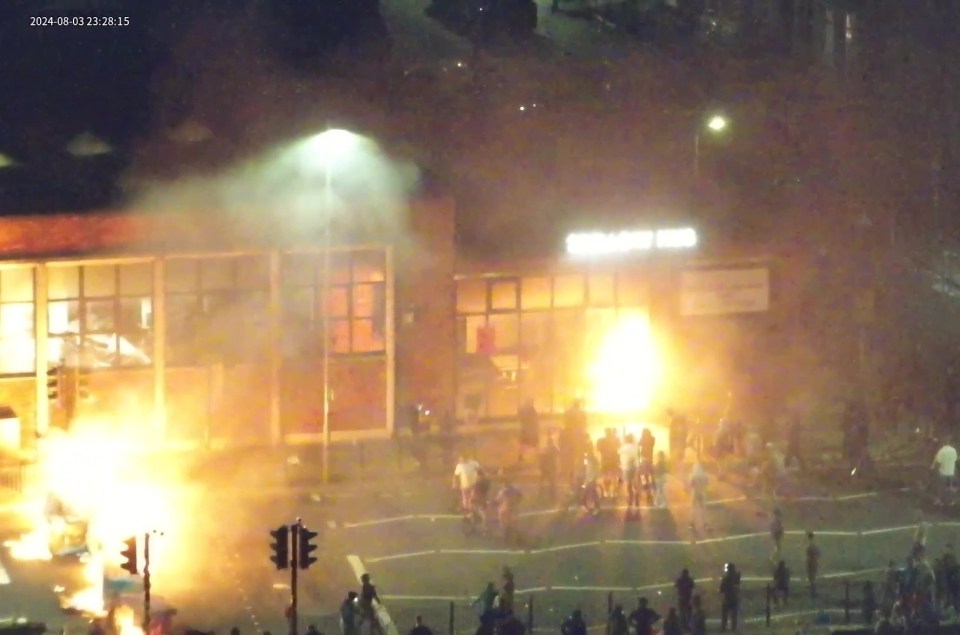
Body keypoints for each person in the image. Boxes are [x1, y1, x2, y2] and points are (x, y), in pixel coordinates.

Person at [931, 437, 957, 506]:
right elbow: (955, 459)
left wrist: (933, 467)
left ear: (943, 443)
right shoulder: (953, 450)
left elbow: (938, 461)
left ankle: (939, 500)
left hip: (943, 472)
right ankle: (951, 501)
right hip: (951, 472)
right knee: (949, 487)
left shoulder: (942, 451)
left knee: (941, 487)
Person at [619, 434, 640, 510]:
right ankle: (636, 496)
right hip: (634, 466)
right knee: (635, 482)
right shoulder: (635, 447)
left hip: (626, 467)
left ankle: (630, 498)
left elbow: (619, 453)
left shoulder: (623, 448)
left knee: (628, 484)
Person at [719, 563, 741, 632]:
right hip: (734, 598)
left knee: (725, 614)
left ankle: (724, 627)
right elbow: (738, 585)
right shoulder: (736, 577)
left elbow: (721, 589)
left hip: (727, 598)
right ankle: (733, 627)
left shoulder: (726, 578)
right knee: (734, 614)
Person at [517, 400, 540, 464]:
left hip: (528, 431)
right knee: (526, 444)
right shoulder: (532, 411)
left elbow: (522, 419)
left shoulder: (530, 411)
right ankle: (521, 456)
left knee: (525, 444)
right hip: (529, 431)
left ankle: (521, 457)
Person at [689, 461, 709, 532]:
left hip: (695, 492)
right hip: (702, 492)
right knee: (703, 508)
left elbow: (691, 485)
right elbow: (707, 483)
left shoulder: (693, 475)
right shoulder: (704, 475)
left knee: (693, 508)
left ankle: (692, 523)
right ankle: (705, 523)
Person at [539, 436, 559, 502]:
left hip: (546, 468)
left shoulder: (546, 449)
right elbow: (558, 452)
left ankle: (542, 495)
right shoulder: (552, 448)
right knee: (551, 483)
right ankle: (552, 497)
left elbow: (542, 458)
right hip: (551, 467)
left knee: (544, 482)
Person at [806, 531, 821, 598]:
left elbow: (808, 553)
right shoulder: (814, 544)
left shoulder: (809, 545)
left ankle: (813, 591)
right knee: (813, 577)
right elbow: (818, 553)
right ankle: (813, 591)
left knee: (811, 577)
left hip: (810, 561)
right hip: (814, 561)